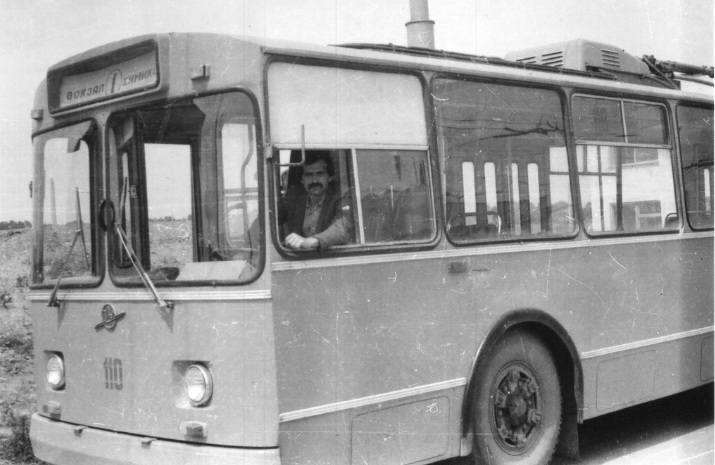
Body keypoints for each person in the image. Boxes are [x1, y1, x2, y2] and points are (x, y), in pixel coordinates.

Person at [279, 151, 353, 251]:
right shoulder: (294, 196)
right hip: (298, 257)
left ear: (330, 177)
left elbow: (342, 227)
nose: (314, 180)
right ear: (302, 179)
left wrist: (312, 241)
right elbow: (274, 216)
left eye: (319, 174)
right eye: (309, 175)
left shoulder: (341, 194)